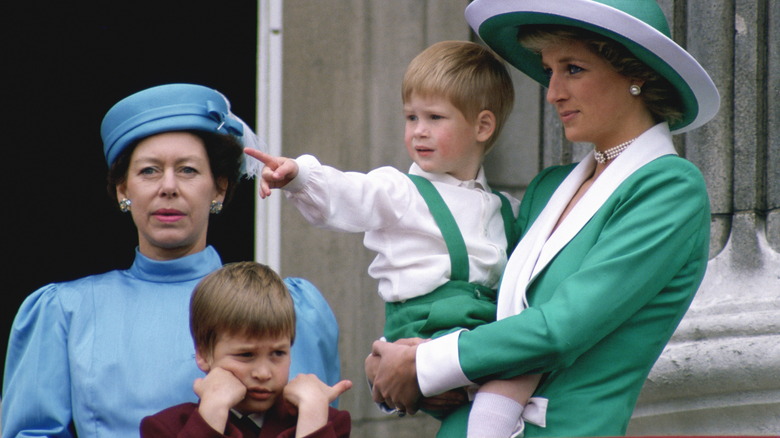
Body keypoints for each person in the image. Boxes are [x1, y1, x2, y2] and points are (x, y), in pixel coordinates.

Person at [366, 0, 720, 437]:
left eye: (572, 68)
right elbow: (485, 318)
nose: (552, 92)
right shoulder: (548, 188)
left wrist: (424, 364)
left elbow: (562, 328)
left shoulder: (669, 188)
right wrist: (397, 356)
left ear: (637, 73)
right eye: (549, 70)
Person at [2, 83, 341, 438]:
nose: (168, 187)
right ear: (123, 190)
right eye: (149, 170)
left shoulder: (291, 306)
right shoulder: (63, 312)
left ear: (220, 187)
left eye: (188, 170)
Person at [246, 40, 543, 437]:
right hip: (428, 328)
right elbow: (351, 193)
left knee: (527, 359)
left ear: (483, 126)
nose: (418, 131)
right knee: (523, 362)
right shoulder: (400, 191)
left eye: (435, 117)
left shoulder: (506, 208)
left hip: (473, 330)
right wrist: (299, 176)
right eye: (411, 117)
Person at [140, 261, 352, 438]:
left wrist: (313, 416)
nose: (263, 373)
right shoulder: (165, 428)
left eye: (278, 353)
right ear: (204, 354)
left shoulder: (325, 422)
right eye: (246, 355)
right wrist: (212, 412)